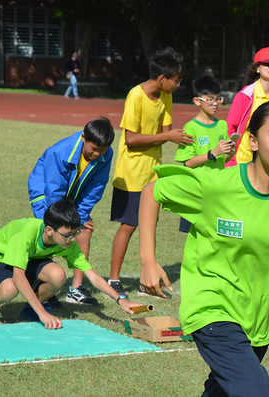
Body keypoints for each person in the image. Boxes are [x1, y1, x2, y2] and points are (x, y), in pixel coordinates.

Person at [138, 100, 269, 396]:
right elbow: (152, 192)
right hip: (212, 307)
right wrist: (147, 260)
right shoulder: (217, 184)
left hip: (260, 316)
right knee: (256, 392)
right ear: (253, 141)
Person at [0, 198, 141, 328]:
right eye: (67, 234)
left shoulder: (67, 243)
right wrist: (43, 313)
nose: (72, 239)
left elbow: (93, 276)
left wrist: (121, 300)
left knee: (58, 275)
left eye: (75, 233)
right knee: (9, 290)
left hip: (29, 257)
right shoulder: (27, 234)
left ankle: (31, 309)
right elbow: (19, 277)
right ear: (49, 231)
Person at [108, 47, 194, 298]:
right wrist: (167, 136)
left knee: (148, 226)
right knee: (129, 225)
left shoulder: (165, 95)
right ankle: (113, 280)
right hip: (132, 171)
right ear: (161, 78)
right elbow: (132, 139)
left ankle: (147, 279)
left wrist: (173, 137)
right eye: (176, 79)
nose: (179, 84)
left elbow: (165, 133)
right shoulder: (135, 96)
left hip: (153, 172)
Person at [28, 117, 115, 306]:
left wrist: (80, 218)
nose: (97, 154)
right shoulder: (59, 152)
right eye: (93, 149)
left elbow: (96, 187)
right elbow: (54, 191)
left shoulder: (105, 154)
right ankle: (42, 289)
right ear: (84, 138)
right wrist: (65, 221)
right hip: (45, 192)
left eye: (102, 150)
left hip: (72, 195)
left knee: (84, 230)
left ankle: (75, 290)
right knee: (50, 234)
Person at [174, 75, 235, 233]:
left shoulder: (222, 125)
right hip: (197, 189)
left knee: (215, 231)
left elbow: (223, 158)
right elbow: (188, 162)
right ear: (197, 101)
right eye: (210, 99)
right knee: (193, 232)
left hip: (218, 187)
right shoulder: (191, 127)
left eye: (218, 99)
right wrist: (212, 153)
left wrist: (229, 152)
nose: (215, 104)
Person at [226, 46, 269, 167]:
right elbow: (230, 128)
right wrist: (230, 159)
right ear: (257, 68)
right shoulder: (245, 96)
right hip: (242, 161)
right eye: (268, 64)